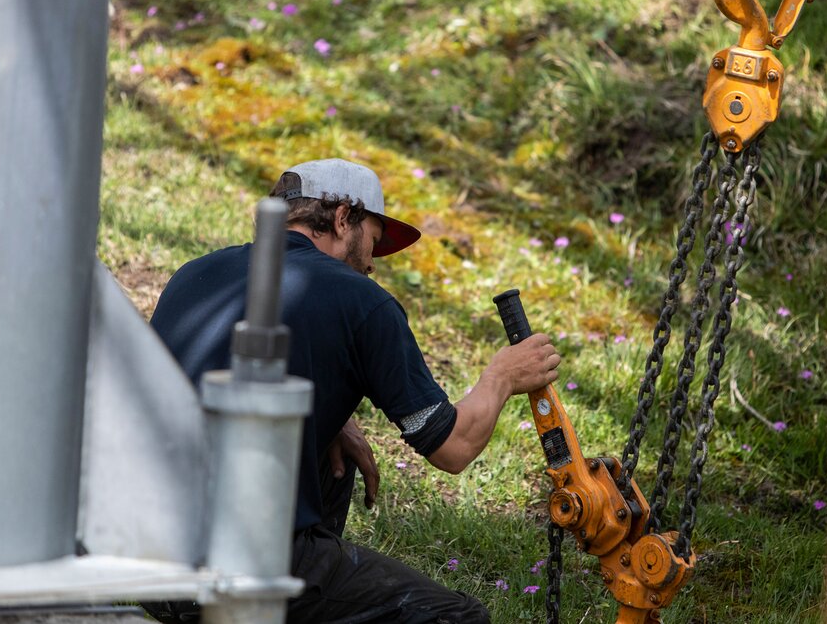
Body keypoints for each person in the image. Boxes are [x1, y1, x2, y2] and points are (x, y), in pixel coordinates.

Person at [145, 158, 561, 623]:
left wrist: (325, 418)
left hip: (137, 551)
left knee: (334, 457)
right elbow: (453, 447)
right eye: (374, 243)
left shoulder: (194, 273)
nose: (370, 264)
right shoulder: (362, 300)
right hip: (230, 565)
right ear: (344, 218)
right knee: (458, 618)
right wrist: (502, 377)